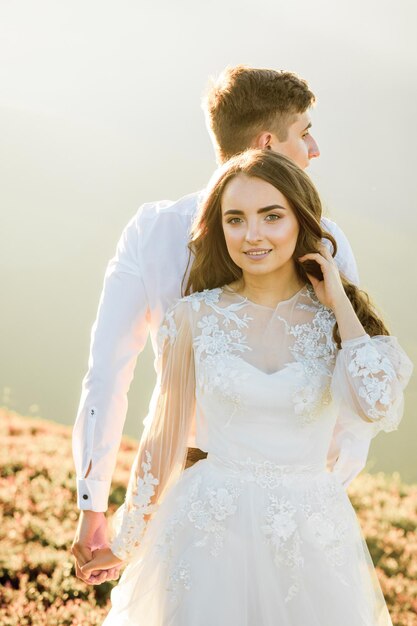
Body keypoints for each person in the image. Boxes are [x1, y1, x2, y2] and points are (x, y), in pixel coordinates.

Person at [80, 149, 412, 625]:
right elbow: (164, 437)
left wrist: (338, 299)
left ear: (300, 220)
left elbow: (378, 405)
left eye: (271, 216)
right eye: (235, 219)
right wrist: (124, 541)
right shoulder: (194, 316)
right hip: (207, 529)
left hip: (311, 535)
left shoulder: (336, 319)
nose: (252, 235)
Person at [71, 65, 364, 586]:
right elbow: (349, 416)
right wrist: (318, 491)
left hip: (257, 502)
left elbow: (108, 370)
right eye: (304, 132)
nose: (314, 148)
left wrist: (92, 503)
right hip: (214, 501)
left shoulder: (153, 228)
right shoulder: (327, 239)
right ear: (267, 141)